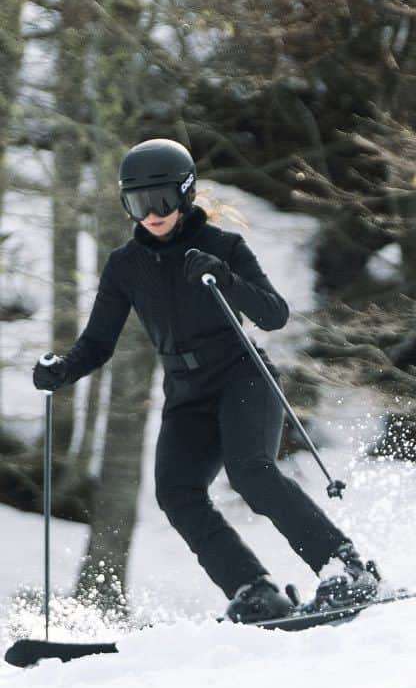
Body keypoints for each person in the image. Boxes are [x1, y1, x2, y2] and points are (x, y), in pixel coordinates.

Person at [32, 139, 380, 622]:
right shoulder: (125, 266)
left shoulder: (221, 246)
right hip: (186, 392)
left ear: (186, 194)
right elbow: (97, 343)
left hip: (242, 376)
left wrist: (225, 276)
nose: (151, 214)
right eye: (138, 203)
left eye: (162, 201)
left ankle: (345, 567)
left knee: (252, 472)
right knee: (176, 492)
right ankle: (253, 589)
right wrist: (62, 370)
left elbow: (274, 314)